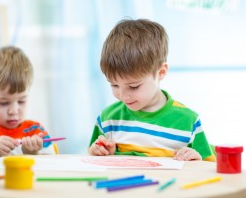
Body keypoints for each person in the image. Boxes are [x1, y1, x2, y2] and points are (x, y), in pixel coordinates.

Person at [88, 19, 215, 162]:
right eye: (114, 85)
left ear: (161, 72)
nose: (123, 96)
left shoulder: (188, 121)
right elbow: (93, 157)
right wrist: (101, 151)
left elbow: (208, 167)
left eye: (134, 86)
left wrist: (196, 159)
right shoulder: (108, 119)